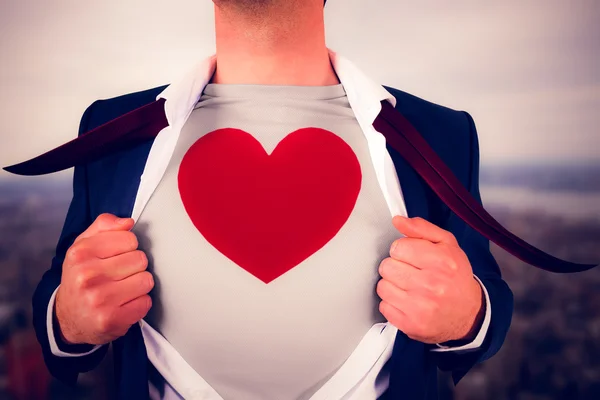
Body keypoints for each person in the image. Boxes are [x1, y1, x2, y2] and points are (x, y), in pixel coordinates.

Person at [30, 1, 513, 399]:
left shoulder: (443, 135)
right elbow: (62, 300)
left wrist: (468, 315)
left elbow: (483, 304)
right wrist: (69, 318)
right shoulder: (111, 129)